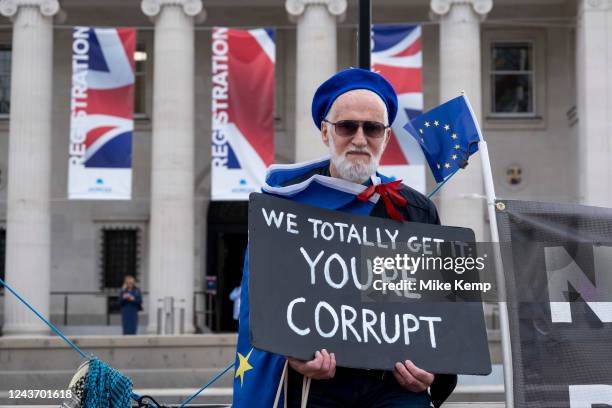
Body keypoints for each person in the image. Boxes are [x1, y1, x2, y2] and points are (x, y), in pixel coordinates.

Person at [232, 68, 456, 408]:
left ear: (387, 137)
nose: (360, 138)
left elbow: (443, 308)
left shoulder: (415, 210)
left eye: (373, 128)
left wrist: (434, 371)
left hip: (394, 384)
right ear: (325, 131)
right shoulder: (285, 205)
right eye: (347, 126)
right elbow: (264, 303)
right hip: (315, 384)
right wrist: (289, 355)